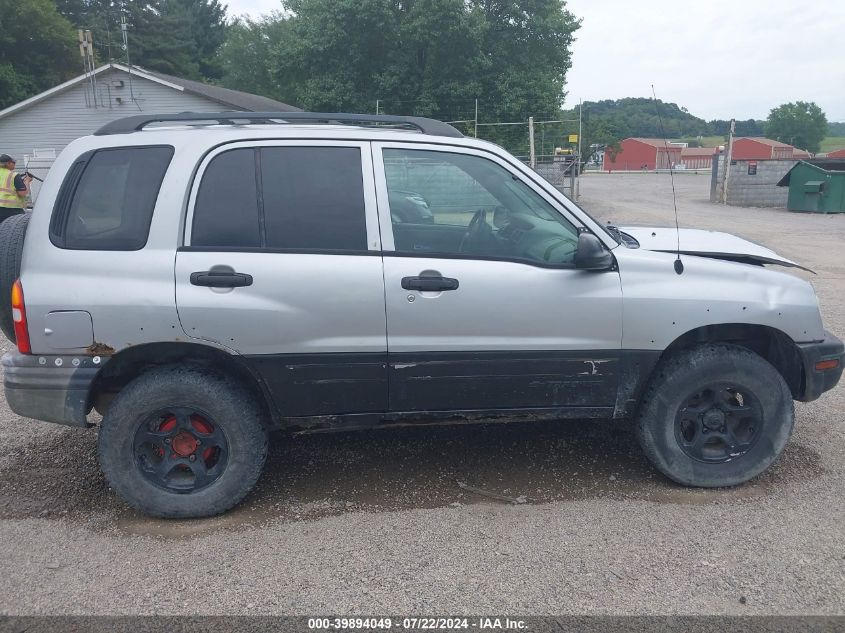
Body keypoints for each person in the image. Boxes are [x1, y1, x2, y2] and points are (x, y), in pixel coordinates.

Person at [0, 154, 32, 224]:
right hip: (11, 209)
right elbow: (23, 193)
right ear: (8, 163)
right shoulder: (13, 175)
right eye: (13, 163)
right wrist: (26, 182)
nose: (15, 164)